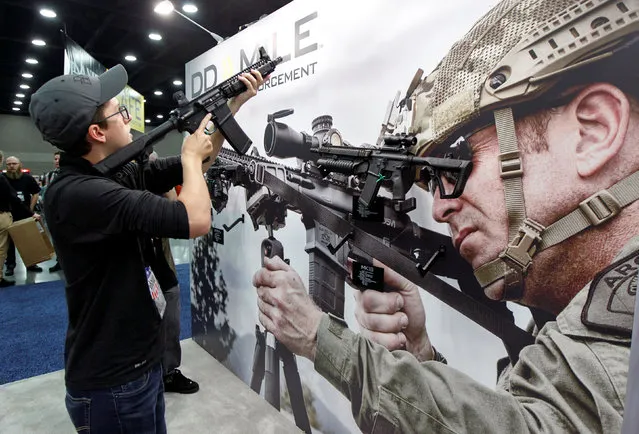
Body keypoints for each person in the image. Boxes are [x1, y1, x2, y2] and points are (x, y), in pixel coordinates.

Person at [252, 0, 639, 432]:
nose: (439, 207)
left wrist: (316, 335)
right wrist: (421, 356)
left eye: (457, 162)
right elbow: (519, 405)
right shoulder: (583, 312)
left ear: (593, 131)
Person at [29, 64, 263, 432]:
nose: (128, 119)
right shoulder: (81, 193)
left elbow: (201, 160)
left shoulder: (107, 173)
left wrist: (228, 110)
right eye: (118, 113)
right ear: (96, 132)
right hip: (113, 380)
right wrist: (188, 156)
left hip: (138, 363)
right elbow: (196, 220)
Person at [0, 152, 39, 288]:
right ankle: (10, 266)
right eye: (8, 164)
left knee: (28, 240)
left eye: (14, 164)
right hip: (8, 214)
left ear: (19, 164)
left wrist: (30, 209)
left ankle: (31, 263)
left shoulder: (27, 179)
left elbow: (35, 192)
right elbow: (12, 197)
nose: (11, 166)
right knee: (7, 244)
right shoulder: (3, 178)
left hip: (24, 213)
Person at [40, 151, 61, 273]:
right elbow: (45, 193)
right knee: (56, 239)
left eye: (59, 159)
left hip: (68, 211)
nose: (57, 161)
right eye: (55, 159)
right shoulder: (49, 175)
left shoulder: (73, 174)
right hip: (53, 212)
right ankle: (60, 261)